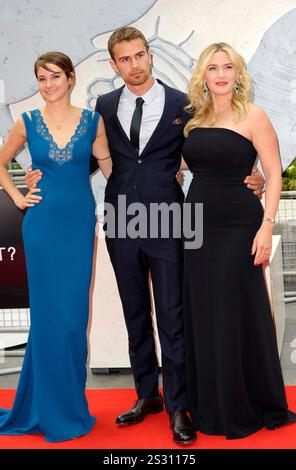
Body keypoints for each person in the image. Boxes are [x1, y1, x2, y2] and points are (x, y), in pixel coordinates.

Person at [25, 28, 264, 445]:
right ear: (114, 64)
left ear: (149, 56)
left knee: (172, 316)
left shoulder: (184, 104)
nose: (133, 65)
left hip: (171, 217)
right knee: (135, 312)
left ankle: (178, 406)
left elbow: (211, 146)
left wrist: (251, 174)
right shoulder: (103, 106)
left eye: (139, 55)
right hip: (121, 217)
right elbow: (91, 159)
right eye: (124, 59)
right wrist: (49, 175)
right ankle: (145, 395)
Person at [182, 42, 296, 439]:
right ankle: (209, 404)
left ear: (238, 74)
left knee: (236, 310)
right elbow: (177, 165)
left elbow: (273, 171)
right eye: (212, 67)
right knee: (204, 310)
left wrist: (266, 225)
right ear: (203, 75)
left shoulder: (254, 115)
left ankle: (245, 401)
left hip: (239, 226)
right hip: (196, 225)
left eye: (227, 67)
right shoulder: (193, 121)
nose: (220, 74)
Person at [0, 51, 110, 443]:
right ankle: (47, 408)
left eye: (54, 77)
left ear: (70, 77)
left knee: (72, 317)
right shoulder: (26, 122)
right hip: (42, 228)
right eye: (41, 79)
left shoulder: (93, 122)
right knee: (48, 319)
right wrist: (16, 196)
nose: (48, 85)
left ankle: (67, 405)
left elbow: (110, 166)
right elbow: (1, 162)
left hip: (80, 224)